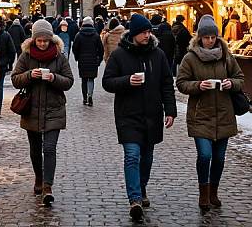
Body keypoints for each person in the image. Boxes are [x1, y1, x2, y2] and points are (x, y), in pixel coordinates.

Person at [102, 13, 176, 222]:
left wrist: (170, 110)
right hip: (128, 115)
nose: (147, 35)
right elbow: (107, 82)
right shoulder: (119, 55)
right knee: (132, 155)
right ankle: (134, 198)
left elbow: (166, 84)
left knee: (147, 157)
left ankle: (142, 188)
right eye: (143, 32)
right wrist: (127, 81)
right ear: (134, 34)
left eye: (149, 32)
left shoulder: (158, 54)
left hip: (152, 114)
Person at [176, 14, 244, 211]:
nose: (210, 40)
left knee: (220, 158)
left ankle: (214, 191)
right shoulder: (190, 58)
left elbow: (239, 77)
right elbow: (181, 83)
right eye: (206, 37)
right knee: (205, 155)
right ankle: (203, 192)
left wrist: (231, 83)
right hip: (200, 115)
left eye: (213, 37)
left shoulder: (226, 55)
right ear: (200, 37)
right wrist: (199, 85)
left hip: (224, 114)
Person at [11, 19, 74, 206]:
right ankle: (39, 177)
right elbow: (15, 79)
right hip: (31, 110)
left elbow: (69, 81)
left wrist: (53, 77)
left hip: (54, 109)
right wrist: (30, 75)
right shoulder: (26, 56)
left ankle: (47, 185)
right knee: (35, 149)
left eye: (46, 40)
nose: (42, 43)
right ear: (33, 40)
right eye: (39, 40)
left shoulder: (59, 57)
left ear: (51, 39)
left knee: (49, 148)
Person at [72, 17, 104, 106]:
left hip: (82, 60)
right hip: (93, 60)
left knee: (84, 79)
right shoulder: (96, 35)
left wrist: (77, 57)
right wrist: (99, 59)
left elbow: (75, 48)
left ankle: (85, 98)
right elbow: (101, 49)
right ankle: (90, 95)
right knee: (91, 79)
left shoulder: (78, 35)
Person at [0, 19, 17, 118]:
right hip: (1, 65)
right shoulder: (6, 35)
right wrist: (9, 63)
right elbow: (12, 51)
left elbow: (12, 51)